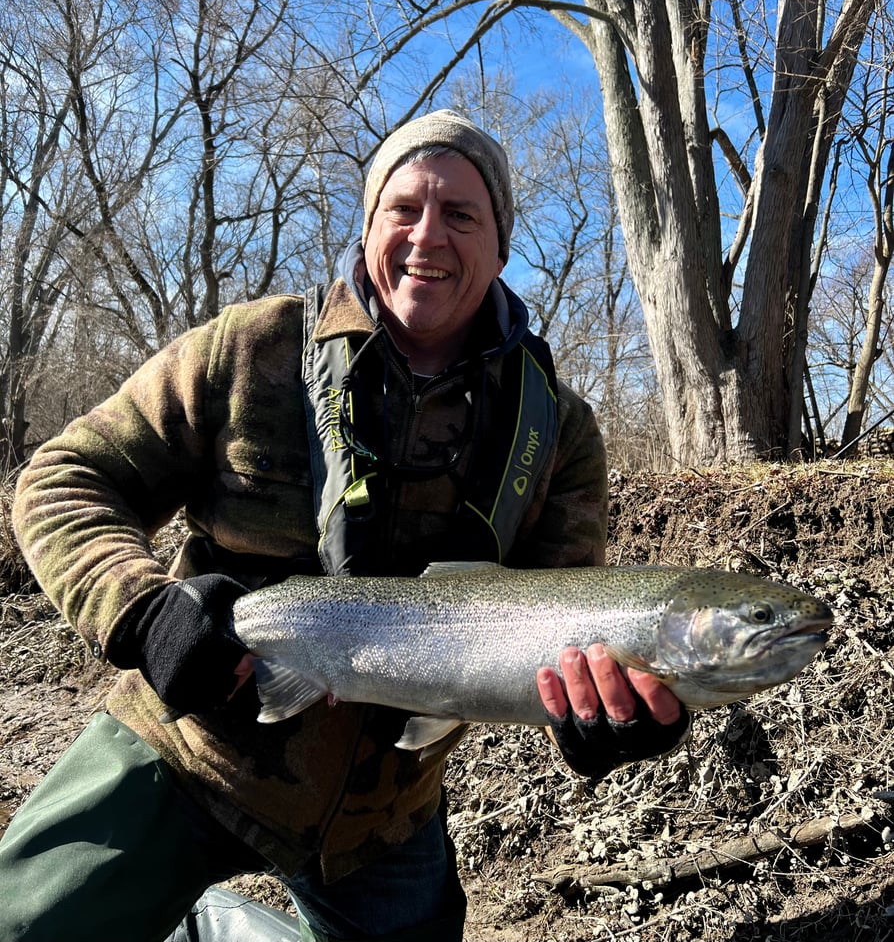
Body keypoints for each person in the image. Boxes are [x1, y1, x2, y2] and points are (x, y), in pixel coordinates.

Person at [0, 110, 689, 942]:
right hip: (189, 748)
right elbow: (63, 480)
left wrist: (598, 725)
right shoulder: (252, 347)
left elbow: (570, 637)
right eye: (403, 209)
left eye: (462, 215)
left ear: (501, 246)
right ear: (367, 230)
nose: (427, 236)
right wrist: (144, 610)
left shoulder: (560, 431)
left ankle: (210, 926)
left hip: (382, 820)